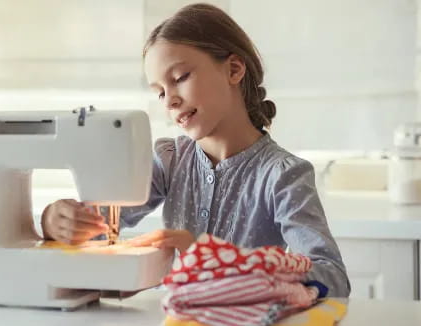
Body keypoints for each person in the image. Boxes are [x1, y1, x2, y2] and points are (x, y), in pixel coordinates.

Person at [41, 3, 350, 297]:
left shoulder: (283, 176)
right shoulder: (169, 161)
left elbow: (332, 278)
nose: (170, 100)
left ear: (233, 69)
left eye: (180, 78)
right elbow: (97, 227)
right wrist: (55, 221)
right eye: (160, 92)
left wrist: (219, 262)